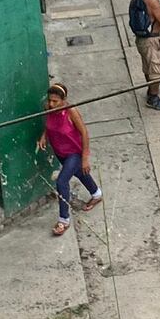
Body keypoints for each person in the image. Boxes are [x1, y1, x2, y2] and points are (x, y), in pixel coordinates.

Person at [37, 82, 102, 237]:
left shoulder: (71, 111)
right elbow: (49, 125)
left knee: (61, 182)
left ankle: (64, 220)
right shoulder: (48, 108)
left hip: (74, 153)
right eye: (50, 100)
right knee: (79, 173)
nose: (51, 104)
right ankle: (96, 194)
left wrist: (84, 158)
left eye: (55, 101)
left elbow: (84, 133)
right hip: (60, 152)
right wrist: (44, 136)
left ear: (64, 100)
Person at [129, 0, 160, 111]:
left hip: (140, 40)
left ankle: (150, 89)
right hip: (152, 41)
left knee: (147, 67)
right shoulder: (151, 3)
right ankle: (153, 97)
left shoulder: (134, 1)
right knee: (157, 71)